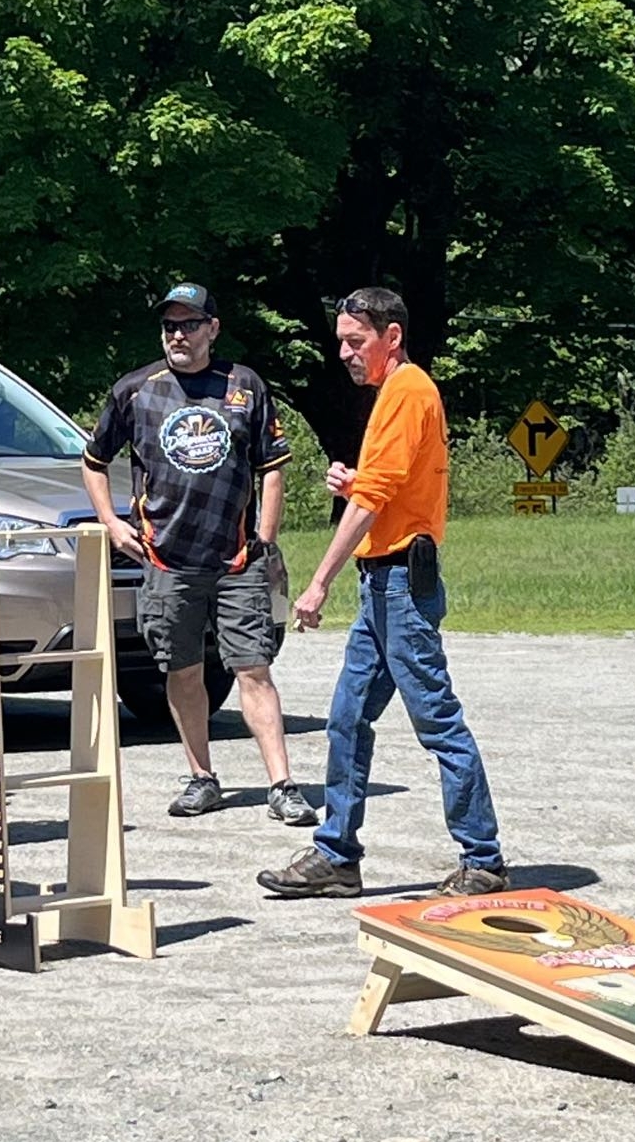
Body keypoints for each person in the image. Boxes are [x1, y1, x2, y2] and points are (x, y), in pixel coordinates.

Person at [257, 285, 508, 900]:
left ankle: (485, 858)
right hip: (382, 587)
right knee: (346, 717)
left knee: (437, 721)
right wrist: (353, 482)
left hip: (401, 584)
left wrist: (317, 583)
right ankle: (337, 854)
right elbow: (382, 486)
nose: (344, 352)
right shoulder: (392, 395)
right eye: (341, 341)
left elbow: (375, 502)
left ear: (391, 336)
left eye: (355, 340)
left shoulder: (408, 391)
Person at [83, 283, 315, 825]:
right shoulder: (137, 390)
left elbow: (273, 465)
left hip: (236, 557)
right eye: (170, 326)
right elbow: (94, 460)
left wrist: (267, 534)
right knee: (183, 670)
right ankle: (201, 776)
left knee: (253, 667)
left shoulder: (244, 385)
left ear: (213, 328)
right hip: (166, 559)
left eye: (189, 324)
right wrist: (111, 523)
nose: (178, 335)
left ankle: (281, 784)